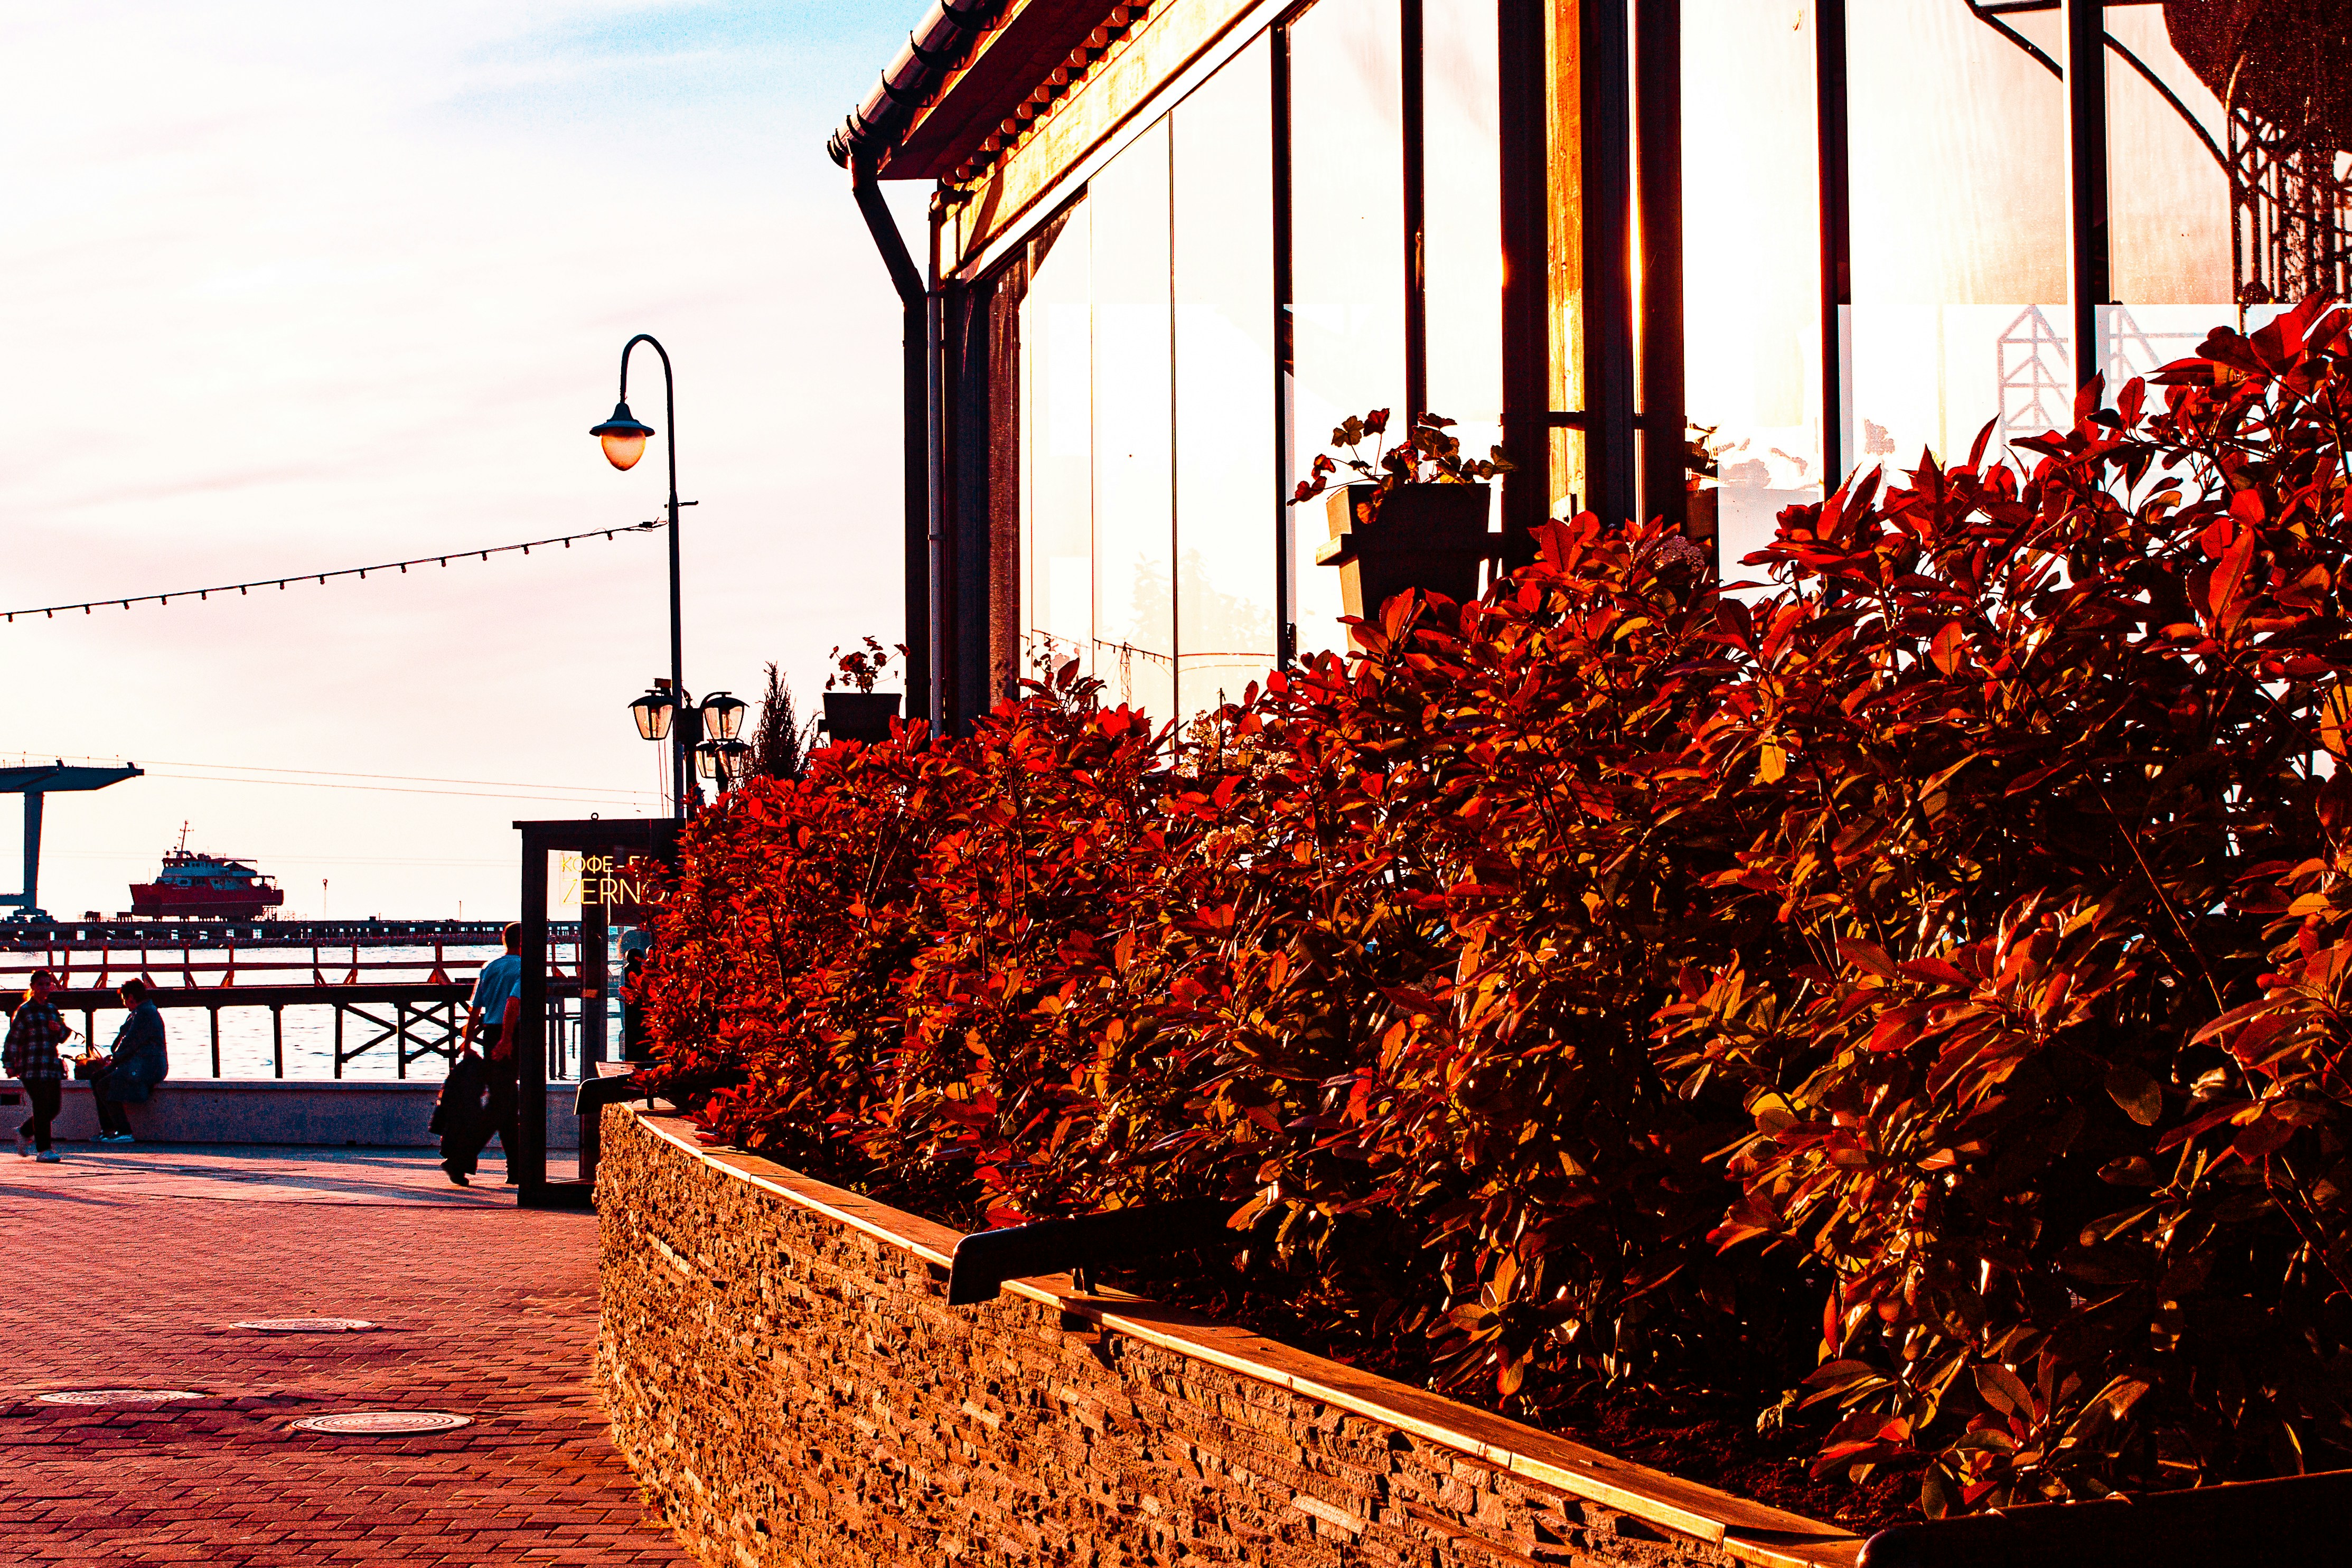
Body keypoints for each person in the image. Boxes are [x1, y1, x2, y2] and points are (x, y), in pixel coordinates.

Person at [443, 924, 523, 1187]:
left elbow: (475, 1008)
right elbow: (513, 1004)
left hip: (489, 1034)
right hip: (510, 1033)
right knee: (501, 1103)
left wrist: (466, 1044)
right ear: (524, 941)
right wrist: (508, 1039)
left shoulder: (490, 966)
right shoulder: (525, 967)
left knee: (507, 1103)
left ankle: (517, 1169)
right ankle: (459, 1159)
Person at [87, 978, 168, 1143]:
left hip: (148, 1066)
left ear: (131, 997)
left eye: (125, 1000)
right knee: (97, 1078)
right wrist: (115, 1059)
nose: (125, 1004)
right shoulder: (141, 1012)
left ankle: (124, 1131)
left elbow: (131, 1042)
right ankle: (108, 1130)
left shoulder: (145, 1013)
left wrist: (114, 1059)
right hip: (138, 1063)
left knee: (104, 1084)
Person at [5, 970, 69, 1162]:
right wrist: (9, 1063)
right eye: (40, 984)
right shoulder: (25, 1011)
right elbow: (13, 1039)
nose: (44, 988)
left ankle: (24, 1131)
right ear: (33, 986)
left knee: (54, 1107)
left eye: (48, 984)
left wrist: (60, 1030)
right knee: (41, 1105)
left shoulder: (52, 1009)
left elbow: (63, 1036)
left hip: (50, 1065)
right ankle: (44, 1150)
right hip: (30, 1066)